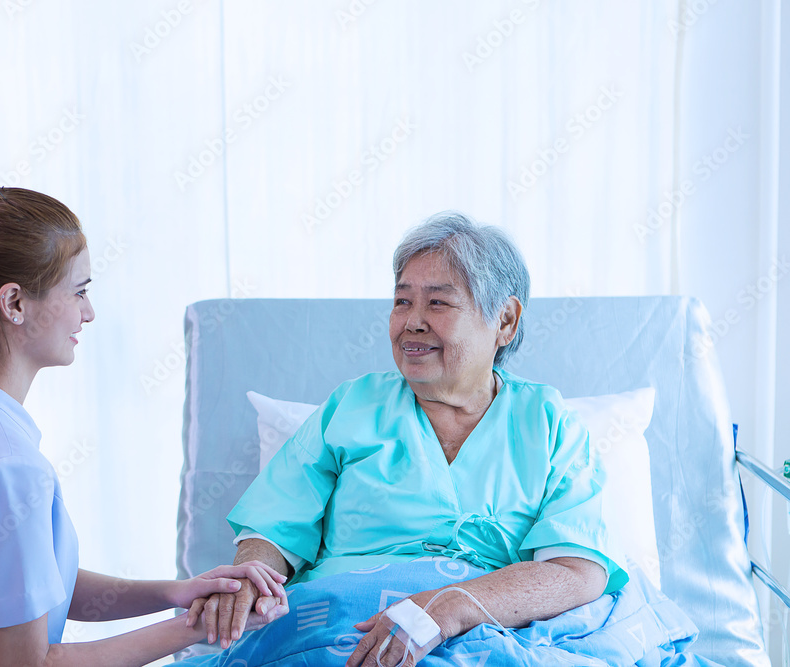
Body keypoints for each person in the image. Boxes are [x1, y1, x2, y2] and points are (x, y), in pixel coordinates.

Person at [189, 212, 628, 666]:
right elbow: (272, 531)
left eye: (438, 304)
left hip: (489, 628)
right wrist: (248, 581)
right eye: (402, 302)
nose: (412, 323)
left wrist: (448, 607)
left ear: (505, 321)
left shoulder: (548, 423)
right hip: (346, 626)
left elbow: (576, 572)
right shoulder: (354, 405)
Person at [0, 187, 287, 667]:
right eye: (79, 291)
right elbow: (28, 664)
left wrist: (177, 592)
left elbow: (30, 592)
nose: (88, 312)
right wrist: (200, 627)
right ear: (14, 303)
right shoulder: (7, 469)